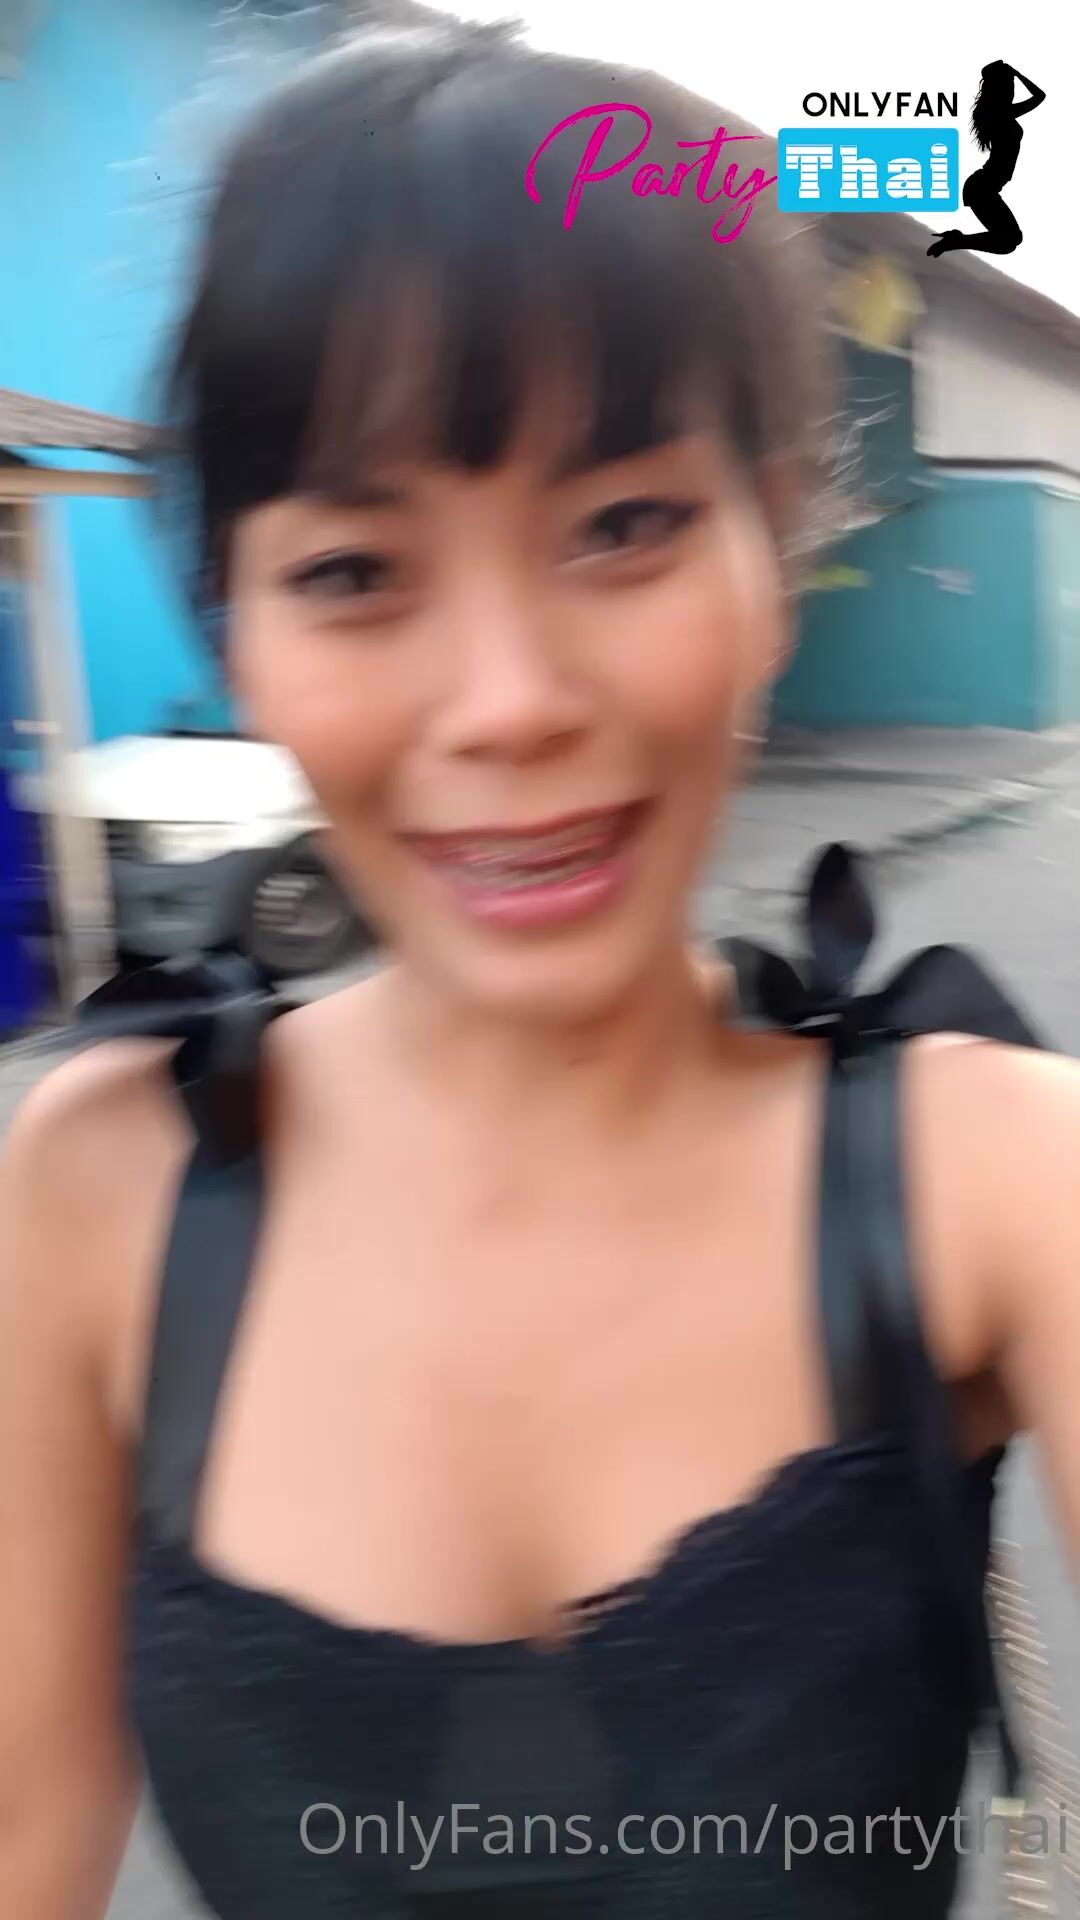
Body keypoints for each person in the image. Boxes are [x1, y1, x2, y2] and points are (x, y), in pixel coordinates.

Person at [1, 20, 1078, 1920]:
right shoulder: (99, 1202)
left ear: (776, 551)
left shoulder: (998, 1183)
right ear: (237, 636)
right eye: (356, 571)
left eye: (623, 528)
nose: (508, 704)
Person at [927, 59, 1045, 259]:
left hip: (984, 186)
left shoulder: (1001, 112)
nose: (1013, 88)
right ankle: (956, 241)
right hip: (983, 187)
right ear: (1002, 88)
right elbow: (1039, 96)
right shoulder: (999, 113)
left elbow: (1040, 96)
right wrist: (1016, 73)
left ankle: (956, 240)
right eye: (1010, 84)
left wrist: (1015, 74)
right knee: (1010, 239)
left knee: (1010, 239)